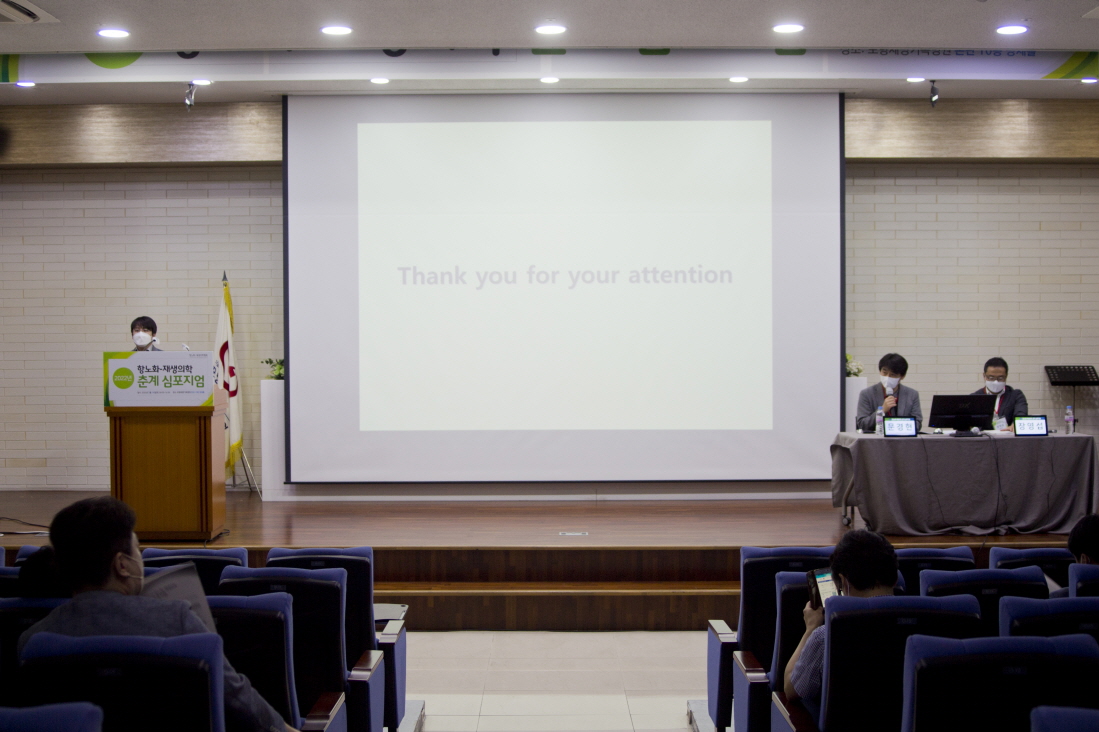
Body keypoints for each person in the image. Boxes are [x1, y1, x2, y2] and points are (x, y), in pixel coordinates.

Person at [18, 497, 295, 732]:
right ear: (122, 565)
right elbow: (234, 695)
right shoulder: (177, 619)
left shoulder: (32, 641)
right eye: (136, 550)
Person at [784, 530, 898, 721]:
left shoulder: (825, 635)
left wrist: (811, 629)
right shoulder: (930, 622)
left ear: (844, 583)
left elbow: (791, 689)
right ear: (894, 578)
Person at [856, 353, 923, 432]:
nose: (887, 377)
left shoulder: (912, 394)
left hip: (902, 438)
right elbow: (862, 424)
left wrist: (893, 427)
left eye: (892, 374)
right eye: (884, 373)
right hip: (876, 438)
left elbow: (917, 424)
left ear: (902, 376)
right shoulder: (867, 394)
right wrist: (882, 411)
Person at [970, 357, 1027, 430]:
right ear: (984, 376)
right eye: (991, 377)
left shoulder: (1016, 395)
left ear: (1006, 376)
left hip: (1007, 435)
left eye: (1000, 378)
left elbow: (1021, 414)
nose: (995, 381)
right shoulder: (974, 398)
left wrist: (1016, 424)